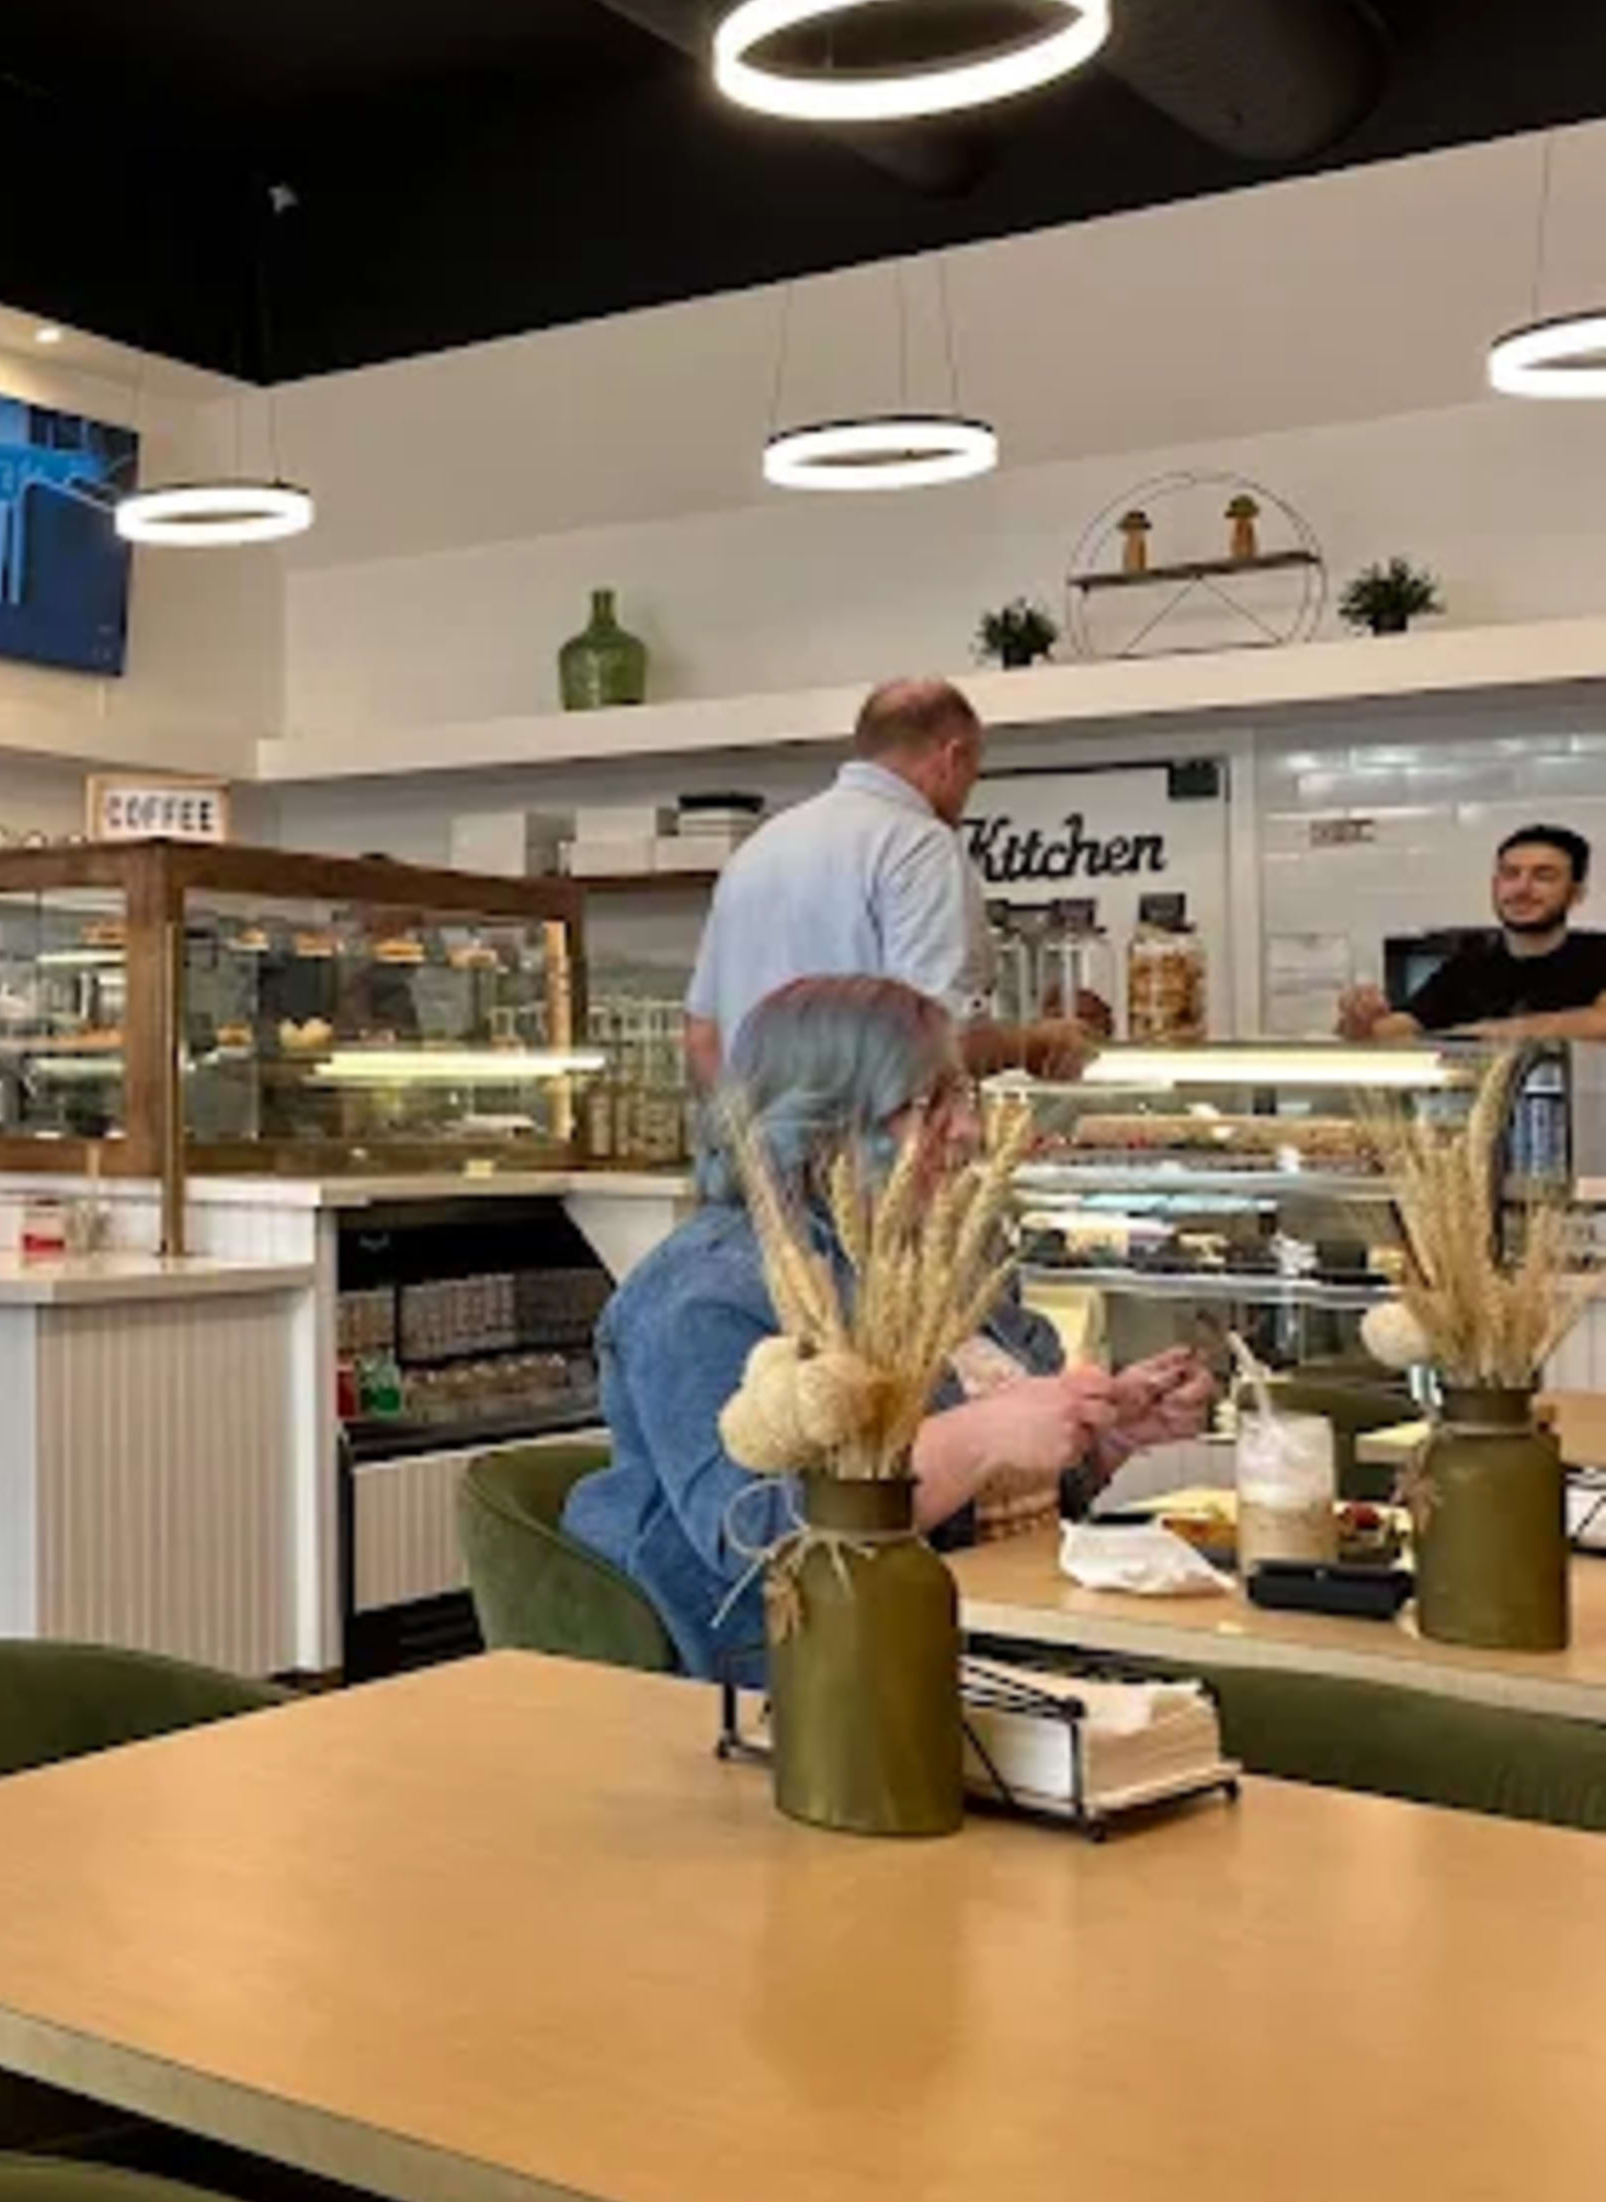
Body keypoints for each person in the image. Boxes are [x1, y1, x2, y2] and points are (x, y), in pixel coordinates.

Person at [565, 975, 1213, 1683]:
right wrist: (978, 1437)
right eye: (928, 1102)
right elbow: (751, 1537)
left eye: (964, 1095)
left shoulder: (934, 1261)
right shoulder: (703, 1298)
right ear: (824, 1119)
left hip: (1007, 1663)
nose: (965, 1129)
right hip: (820, 1701)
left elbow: (986, 1515)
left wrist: (1101, 1437)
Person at [682, 679, 1089, 1089]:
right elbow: (940, 1042)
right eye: (973, 776)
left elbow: (703, 1037)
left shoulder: (758, 848)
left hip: (750, 1146)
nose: (967, 794)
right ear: (954, 757)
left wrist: (757, 1139)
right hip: (871, 1147)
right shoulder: (921, 845)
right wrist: (1032, 1044)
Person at [1339, 824, 1606, 1042]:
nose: (1522, 888)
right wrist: (1360, 1020)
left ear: (1575, 894)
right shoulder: (1466, 968)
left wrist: (1468, 1035)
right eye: (1510, 874)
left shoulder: (1598, 955)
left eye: (1543, 876)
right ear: (1495, 886)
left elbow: (1599, 1023)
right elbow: (1392, 1032)